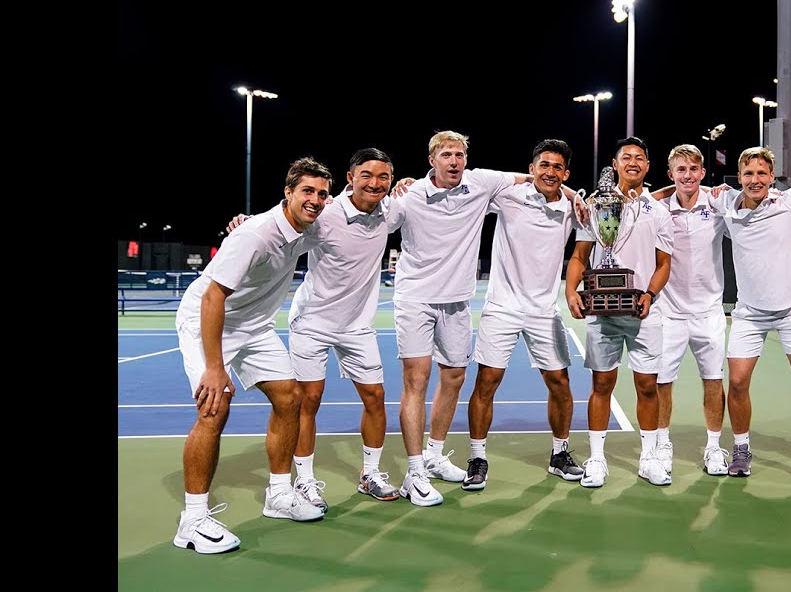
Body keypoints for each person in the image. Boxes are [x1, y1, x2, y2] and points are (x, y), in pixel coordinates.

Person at [226, 148, 408, 512]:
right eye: (367, 175)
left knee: (375, 397)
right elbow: (284, 221)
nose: (375, 182)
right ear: (351, 177)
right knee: (307, 402)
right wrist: (248, 223)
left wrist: (409, 184)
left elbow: (427, 200)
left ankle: (369, 474)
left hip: (357, 325)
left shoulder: (392, 212)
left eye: (384, 177)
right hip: (312, 323)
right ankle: (305, 480)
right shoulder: (326, 214)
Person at [172, 157, 333, 554]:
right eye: (307, 191)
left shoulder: (310, 226)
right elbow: (213, 296)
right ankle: (191, 521)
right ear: (288, 193)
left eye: (321, 193)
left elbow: (360, 194)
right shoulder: (255, 234)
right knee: (214, 406)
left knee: (289, 397)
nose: (315, 200)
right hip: (207, 319)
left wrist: (402, 183)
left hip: (254, 326)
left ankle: (279, 496)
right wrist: (214, 368)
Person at [391, 130, 533, 506]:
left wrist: (572, 196)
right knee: (416, 380)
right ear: (431, 160)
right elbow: (369, 213)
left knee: (453, 377)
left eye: (459, 154)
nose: (455, 161)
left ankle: (435, 455)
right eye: (447, 155)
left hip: (457, 301)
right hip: (416, 299)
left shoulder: (480, 182)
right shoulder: (410, 196)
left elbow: (531, 178)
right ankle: (415, 471)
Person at [461, 139, 587, 491]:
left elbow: (583, 250)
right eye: (543, 165)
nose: (549, 172)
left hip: (543, 310)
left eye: (557, 167)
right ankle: (477, 457)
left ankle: (560, 453)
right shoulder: (508, 196)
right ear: (531, 169)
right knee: (487, 382)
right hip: (502, 306)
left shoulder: (574, 209)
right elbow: (476, 177)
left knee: (560, 383)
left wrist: (575, 195)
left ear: (566, 173)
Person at [707, 147, 791, 486]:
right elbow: (684, 186)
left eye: (762, 174)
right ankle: (742, 447)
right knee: (738, 381)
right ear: (739, 177)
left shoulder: (789, 200)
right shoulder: (725, 202)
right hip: (748, 312)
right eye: (749, 174)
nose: (755, 180)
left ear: (771, 177)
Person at [565, 136, 674, 488]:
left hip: (643, 311)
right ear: (615, 165)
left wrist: (650, 294)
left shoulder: (658, 211)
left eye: (639, 158)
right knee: (602, 384)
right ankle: (597, 460)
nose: (633, 162)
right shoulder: (594, 206)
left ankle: (649, 458)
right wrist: (571, 291)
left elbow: (663, 263)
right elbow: (580, 256)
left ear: (647, 166)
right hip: (603, 312)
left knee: (647, 385)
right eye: (626, 157)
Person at [650, 144, 731, 476]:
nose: (688, 175)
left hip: (709, 312)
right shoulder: (657, 209)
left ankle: (713, 447)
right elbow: (634, 200)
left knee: (713, 380)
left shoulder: (717, 204)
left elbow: (751, 199)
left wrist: (720, 191)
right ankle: (662, 444)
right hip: (669, 312)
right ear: (671, 175)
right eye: (680, 170)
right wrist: (665, 193)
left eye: (693, 169)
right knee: (662, 382)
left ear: (703, 173)